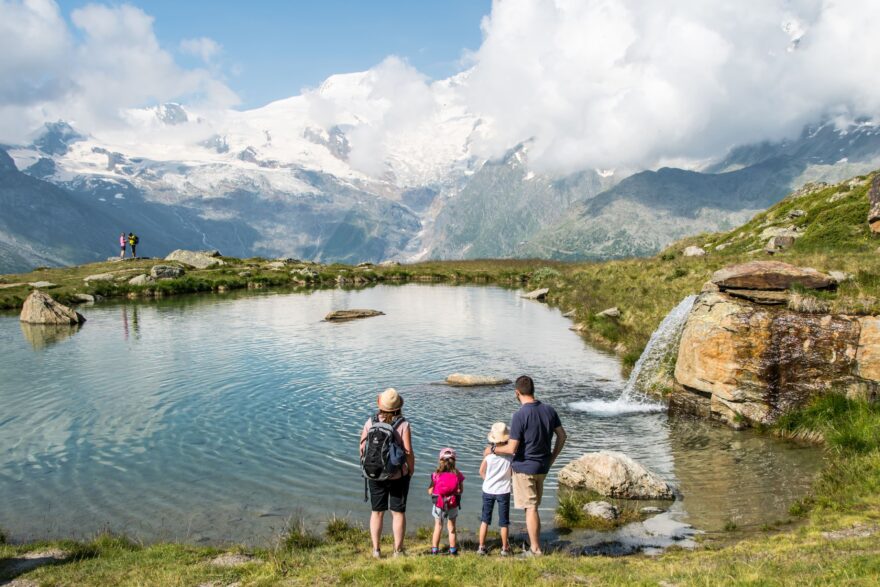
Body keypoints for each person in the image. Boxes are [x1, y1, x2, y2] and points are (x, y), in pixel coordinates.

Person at [494, 375, 566, 556]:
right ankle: (532, 540)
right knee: (533, 506)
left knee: (531, 508)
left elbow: (511, 448)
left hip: (525, 468)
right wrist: (552, 458)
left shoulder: (519, 415)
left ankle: (535, 549)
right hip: (542, 467)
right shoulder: (549, 410)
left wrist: (493, 449)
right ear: (533, 390)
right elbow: (562, 436)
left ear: (517, 393)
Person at [359, 388, 414, 558]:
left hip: (374, 474)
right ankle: (398, 551)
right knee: (397, 512)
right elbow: (408, 452)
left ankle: (376, 550)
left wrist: (369, 467)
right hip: (397, 475)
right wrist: (410, 470)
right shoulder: (403, 424)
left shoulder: (371, 422)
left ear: (379, 404)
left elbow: (362, 448)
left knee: (377, 512)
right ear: (399, 407)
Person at [477, 422, 513, 556]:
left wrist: (488, 480)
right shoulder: (510, 457)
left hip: (488, 490)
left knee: (485, 520)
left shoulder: (489, 456)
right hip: (503, 491)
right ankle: (505, 548)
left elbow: (481, 471)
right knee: (504, 522)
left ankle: (481, 547)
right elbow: (512, 473)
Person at [427, 447, 464, 555]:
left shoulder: (436, 474)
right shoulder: (458, 474)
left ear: (440, 460)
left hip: (439, 504)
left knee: (438, 527)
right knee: (452, 528)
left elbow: (430, 491)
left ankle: (434, 550)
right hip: (453, 504)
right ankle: (453, 550)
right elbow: (460, 491)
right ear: (454, 461)